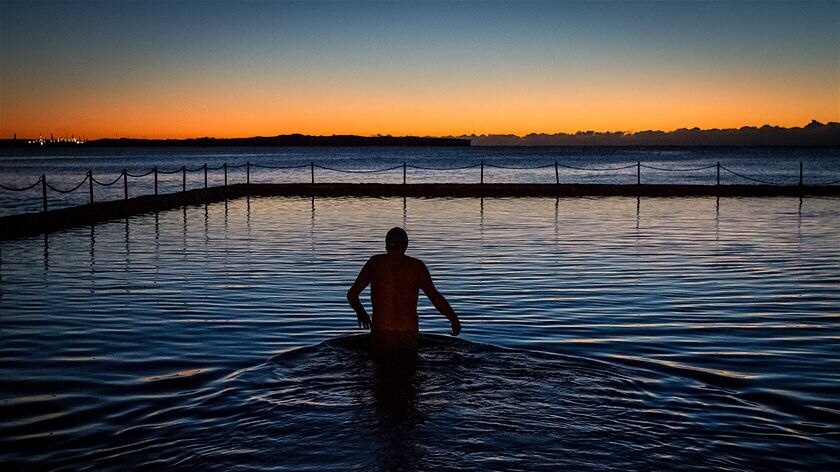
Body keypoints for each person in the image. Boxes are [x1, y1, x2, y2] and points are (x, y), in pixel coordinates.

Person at [347, 227, 461, 354]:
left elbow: (352, 295)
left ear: (386, 245)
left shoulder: (375, 263)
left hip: (381, 332)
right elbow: (434, 297)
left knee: (381, 370)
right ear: (406, 245)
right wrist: (453, 319)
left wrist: (361, 313)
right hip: (408, 333)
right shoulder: (417, 266)